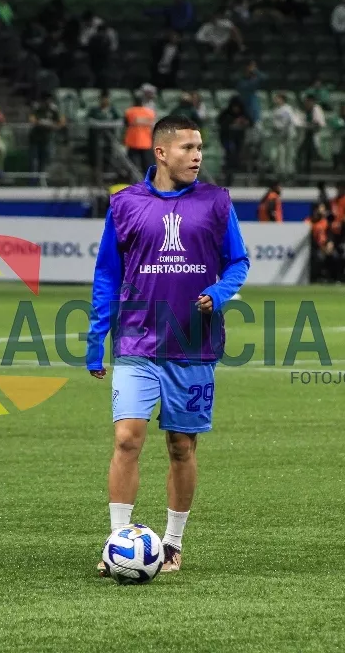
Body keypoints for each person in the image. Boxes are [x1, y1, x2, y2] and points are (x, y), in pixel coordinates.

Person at [87, 115, 250, 575]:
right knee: (126, 439)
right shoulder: (125, 204)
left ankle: (173, 543)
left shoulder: (217, 203)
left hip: (193, 346)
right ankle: (119, 540)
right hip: (137, 340)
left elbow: (238, 261)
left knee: (181, 446)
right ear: (161, 152)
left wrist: (218, 293)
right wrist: (96, 337)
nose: (197, 156)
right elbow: (107, 275)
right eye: (187, 148)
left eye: (200, 147)